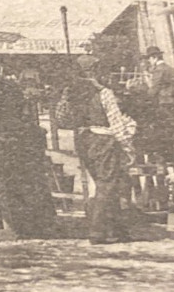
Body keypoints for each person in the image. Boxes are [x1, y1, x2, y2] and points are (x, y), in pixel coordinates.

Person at [55, 61, 137, 244]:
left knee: (106, 183)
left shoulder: (71, 93)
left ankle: (118, 229)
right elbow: (116, 122)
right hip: (103, 140)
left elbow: (61, 119)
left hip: (83, 140)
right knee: (107, 184)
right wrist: (127, 147)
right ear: (95, 72)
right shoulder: (104, 93)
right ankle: (97, 231)